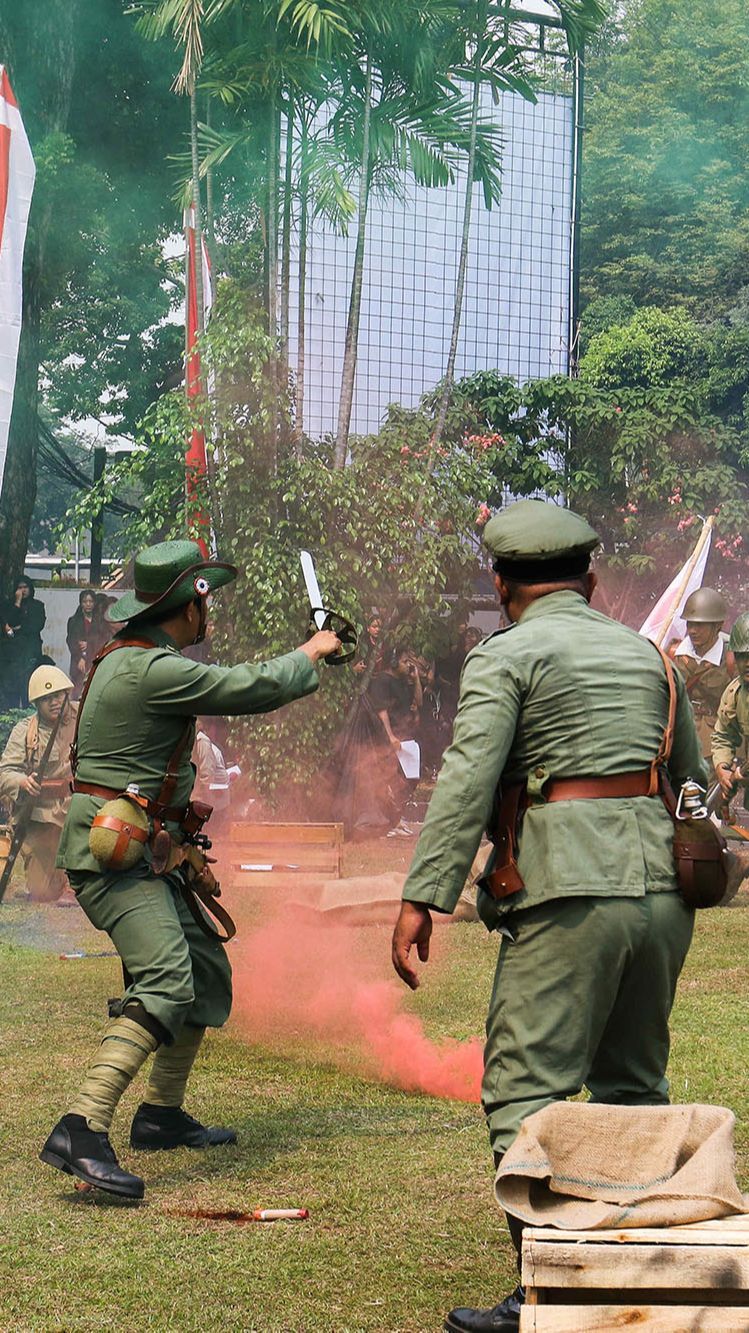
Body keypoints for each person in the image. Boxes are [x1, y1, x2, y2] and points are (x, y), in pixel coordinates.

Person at [390, 499, 705, 1333]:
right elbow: (694, 776)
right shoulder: (647, 654)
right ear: (590, 580)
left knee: (520, 1090)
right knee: (633, 1087)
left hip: (570, 888)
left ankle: (553, 1290)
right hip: (663, 894)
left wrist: (423, 892)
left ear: (500, 584)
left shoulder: (507, 655)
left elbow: (465, 777)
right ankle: (635, 1282)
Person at [40, 539, 340, 1200]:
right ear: (188, 603)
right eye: (207, 599)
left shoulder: (141, 658)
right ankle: (80, 1127)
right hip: (114, 856)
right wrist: (312, 651)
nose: (213, 616)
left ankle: (160, 1114)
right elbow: (247, 687)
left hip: (147, 848)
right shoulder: (151, 669)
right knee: (167, 981)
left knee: (201, 973)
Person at [0, 665, 77, 902]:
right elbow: (5, 772)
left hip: (78, 809)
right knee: (42, 892)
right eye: (45, 699)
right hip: (42, 816)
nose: (53, 702)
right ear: (36, 704)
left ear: (67, 693)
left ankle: (78, 883)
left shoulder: (86, 718)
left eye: (57, 695)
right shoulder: (26, 731)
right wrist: (22, 781)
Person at [670, 587, 733, 765]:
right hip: (681, 735)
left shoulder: (731, 658)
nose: (692, 630)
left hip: (717, 742)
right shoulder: (674, 654)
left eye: (700, 624)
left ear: (717, 625)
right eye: (690, 623)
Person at [369, 647, 423, 837]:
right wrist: (390, 735)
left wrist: (416, 679)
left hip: (405, 736)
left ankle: (396, 818)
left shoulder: (403, 681)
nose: (408, 665)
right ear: (393, 662)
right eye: (404, 661)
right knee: (391, 779)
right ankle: (390, 821)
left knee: (410, 779)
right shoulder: (382, 681)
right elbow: (381, 711)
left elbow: (419, 702)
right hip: (389, 737)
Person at [712, 612, 749, 806]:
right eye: (742, 656)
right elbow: (723, 735)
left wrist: (740, 773)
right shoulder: (734, 692)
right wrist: (722, 767)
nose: (747, 663)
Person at [1, 575, 46, 707]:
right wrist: (17, 603)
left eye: (25, 587)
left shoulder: (38, 605)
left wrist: (18, 629)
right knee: (12, 691)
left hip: (30, 652)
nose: (23, 590)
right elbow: (10, 622)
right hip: (12, 656)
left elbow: (37, 625)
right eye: (20, 588)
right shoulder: (9, 605)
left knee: (30, 688)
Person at [66, 589, 97, 694]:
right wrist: (80, 658)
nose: (88, 604)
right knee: (77, 693)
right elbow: (71, 641)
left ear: (94, 603)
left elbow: (103, 638)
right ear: (80, 603)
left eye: (91, 601)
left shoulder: (99, 621)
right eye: (85, 601)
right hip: (78, 663)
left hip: (94, 660)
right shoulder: (74, 621)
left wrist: (90, 644)